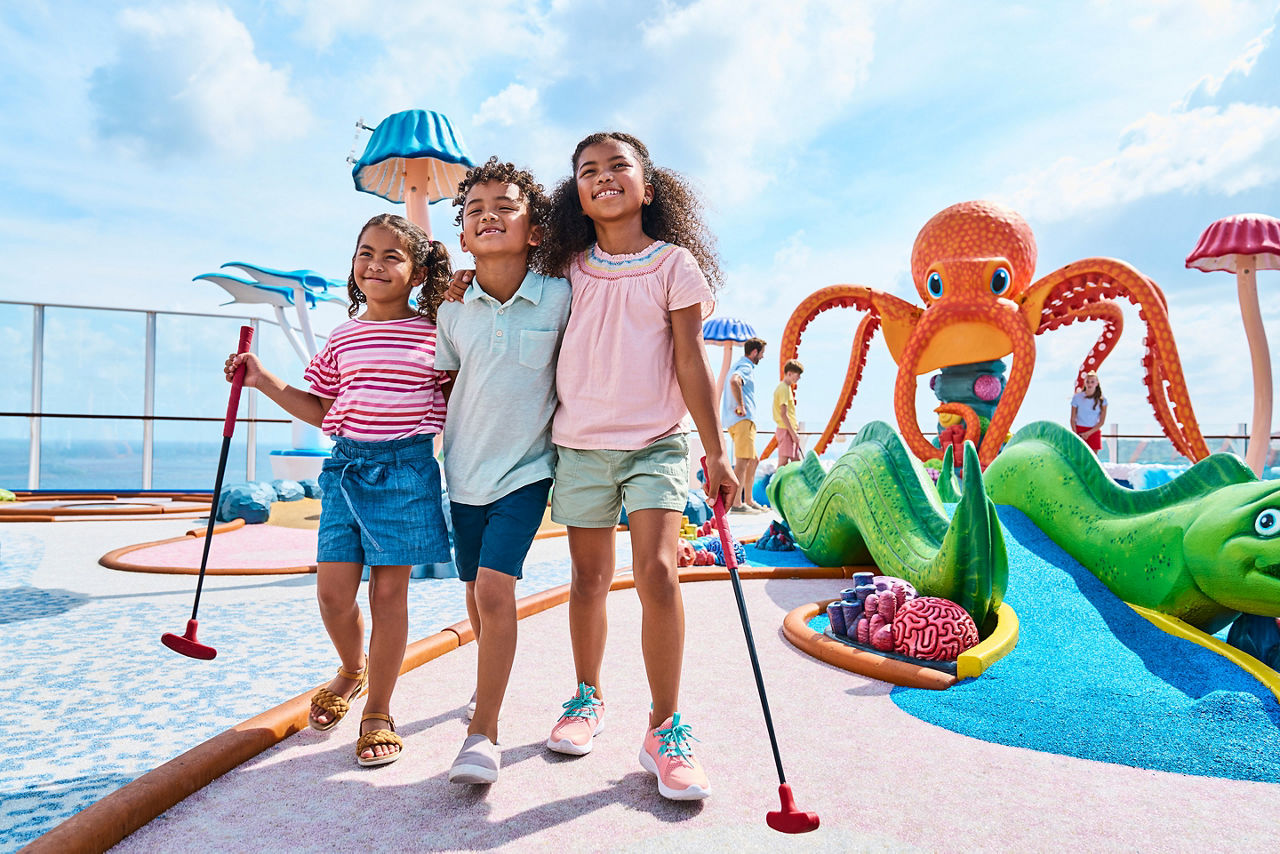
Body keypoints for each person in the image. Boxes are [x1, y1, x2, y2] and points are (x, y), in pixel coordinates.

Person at [538, 131, 738, 801]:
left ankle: (664, 728)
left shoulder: (674, 265)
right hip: (581, 445)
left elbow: (690, 362)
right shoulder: (565, 270)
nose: (604, 176)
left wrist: (717, 450)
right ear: (579, 197)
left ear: (647, 187)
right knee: (589, 577)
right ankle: (587, 698)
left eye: (618, 166)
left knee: (657, 569)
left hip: (656, 443)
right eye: (588, 170)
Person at [224, 213, 452, 767]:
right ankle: (352, 669)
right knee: (332, 596)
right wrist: (262, 378)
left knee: (389, 597)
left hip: (406, 472)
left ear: (417, 271)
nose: (376, 264)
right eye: (365, 253)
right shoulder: (343, 337)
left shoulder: (437, 335)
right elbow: (322, 410)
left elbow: (465, 398)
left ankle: (378, 708)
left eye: (392, 256)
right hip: (345, 469)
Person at [436, 158, 571, 785]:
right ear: (462, 236)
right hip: (461, 471)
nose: (488, 216)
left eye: (505, 207)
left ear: (535, 229)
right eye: (475, 211)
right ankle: (484, 684)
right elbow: (446, 380)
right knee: (474, 593)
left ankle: (483, 731)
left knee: (494, 590)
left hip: (528, 468)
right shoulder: (452, 308)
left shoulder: (561, 293)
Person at [721, 337, 768, 511]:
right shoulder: (746, 366)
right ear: (754, 352)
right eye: (762, 353)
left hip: (738, 421)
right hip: (743, 420)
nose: (762, 357)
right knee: (743, 461)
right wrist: (741, 405)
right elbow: (735, 381)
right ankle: (737, 503)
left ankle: (748, 500)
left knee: (753, 460)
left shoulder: (739, 364)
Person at [773, 359, 805, 466]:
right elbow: (783, 413)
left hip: (789, 429)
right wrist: (792, 433)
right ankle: (776, 483)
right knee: (783, 463)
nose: (799, 377)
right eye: (798, 374)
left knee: (797, 461)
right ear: (789, 373)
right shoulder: (783, 389)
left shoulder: (787, 388)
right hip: (786, 430)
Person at [1070, 371, 1108, 454]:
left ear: (1097, 383)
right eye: (1087, 381)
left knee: (1093, 458)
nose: (1090, 384)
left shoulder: (1102, 400)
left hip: (1094, 431)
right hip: (1079, 430)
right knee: (1079, 456)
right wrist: (1076, 434)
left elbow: (1102, 421)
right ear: (1085, 383)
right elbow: (1073, 418)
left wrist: (1088, 433)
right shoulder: (1077, 397)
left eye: (1092, 382)